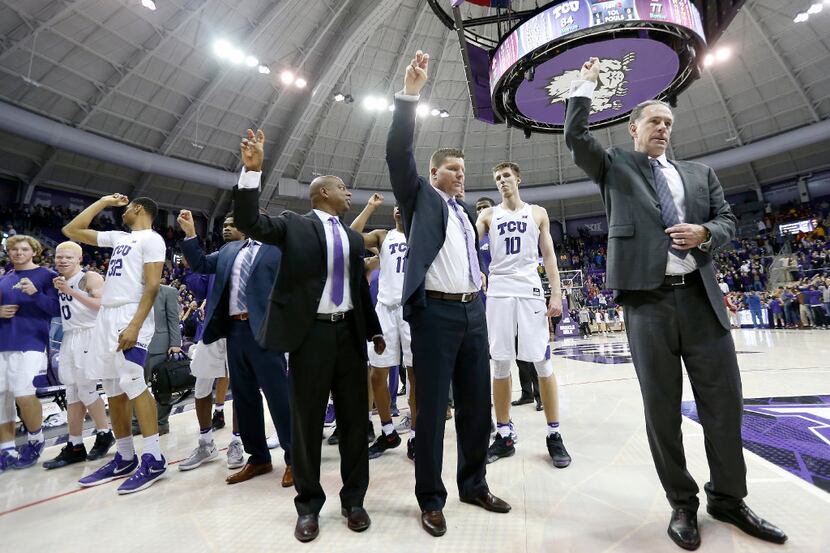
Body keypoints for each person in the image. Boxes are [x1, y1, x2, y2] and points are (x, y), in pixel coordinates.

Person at [565, 56, 786, 549]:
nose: (662, 128)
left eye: (668, 123)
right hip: (648, 304)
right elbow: (576, 138)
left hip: (702, 303)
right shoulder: (615, 165)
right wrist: (586, 85)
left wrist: (706, 231)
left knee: (725, 405)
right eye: (653, 122)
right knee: (662, 411)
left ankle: (728, 498)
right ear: (633, 127)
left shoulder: (699, 172)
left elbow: (729, 219)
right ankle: (681, 503)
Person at [233, 128, 384, 543]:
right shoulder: (292, 225)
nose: (348, 192)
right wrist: (252, 173)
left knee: (356, 422)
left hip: (349, 337)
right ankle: (309, 506)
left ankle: (354, 501)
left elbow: (357, 288)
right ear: (321, 194)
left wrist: (374, 332)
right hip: (310, 338)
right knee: (306, 424)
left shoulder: (351, 237)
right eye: (341, 187)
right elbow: (249, 221)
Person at [387, 50, 510, 538]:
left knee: (477, 405)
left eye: (463, 169)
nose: (461, 174)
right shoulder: (420, 198)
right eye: (453, 169)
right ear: (435, 173)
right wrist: (409, 95)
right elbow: (399, 154)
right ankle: (431, 499)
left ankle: (474, 483)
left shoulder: (464, 216)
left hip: (472, 312)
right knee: (434, 410)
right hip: (435, 315)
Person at [62, 194, 168, 494]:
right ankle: (124, 456)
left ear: (138, 209)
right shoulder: (121, 237)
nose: (121, 212)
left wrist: (134, 323)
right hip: (107, 315)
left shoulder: (152, 239)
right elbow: (72, 230)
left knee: (133, 380)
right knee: (112, 387)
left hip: (130, 312)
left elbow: (152, 285)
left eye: (125, 208)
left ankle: (154, 457)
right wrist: (102, 202)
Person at [178, 211, 293, 486]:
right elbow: (201, 264)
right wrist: (191, 234)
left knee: (279, 396)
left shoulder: (280, 248)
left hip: (266, 330)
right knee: (243, 397)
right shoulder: (230, 249)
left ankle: (295, 458)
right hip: (234, 330)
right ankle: (259, 458)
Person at [475, 161, 570, 469]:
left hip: (529, 288)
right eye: (497, 177)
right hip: (499, 291)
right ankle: (504, 434)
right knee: (500, 362)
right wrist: (477, 271)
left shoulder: (537, 212)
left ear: (518, 179)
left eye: (506, 176)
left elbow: (549, 256)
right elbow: (468, 245)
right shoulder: (487, 215)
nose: (502, 181)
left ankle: (554, 434)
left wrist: (555, 293)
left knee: (542, 361)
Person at [350, 194, 416, 461]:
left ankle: (416, 435)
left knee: (415, 376)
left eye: (405, 205)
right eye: (396, 206)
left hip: (412, 312)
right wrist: (369, 207)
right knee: (377, 374)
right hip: (385, 311)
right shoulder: (382, 235)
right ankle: (388, 431)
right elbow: (352, 235)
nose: (399, 209)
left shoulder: (421, 235)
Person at [43, 241, 115, 469]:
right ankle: (75, 444)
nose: (62, 260)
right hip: (70, 335)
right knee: (72, 390)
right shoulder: (59, 280)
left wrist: (70, 291)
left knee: (85, 388)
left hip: (89, 335)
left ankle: (105, 433)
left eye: (68, 257)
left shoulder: (89, 277)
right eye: (58, 256)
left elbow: (101, 305)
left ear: (79, 259)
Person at [0, 235, 60, 471]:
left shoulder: (47, 275)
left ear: (33, 251)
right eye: (13, 249)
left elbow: (57, 309)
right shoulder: (4, 280)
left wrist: (36, 293)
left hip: (32, 342)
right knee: (2, 396)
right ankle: (7, 449)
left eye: (23, 249)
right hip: (3, 342)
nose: (18, 253)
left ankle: (36, 439)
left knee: (24, 393)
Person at [133, 283, 182, 435]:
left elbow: (173, 318)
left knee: (162, 387)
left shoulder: (168, 292)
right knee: (134, 386)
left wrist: (175, 343)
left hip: (160, 345)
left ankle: (161, 422)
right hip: (134, 344)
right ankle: (136, 423)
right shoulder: (130, 290)